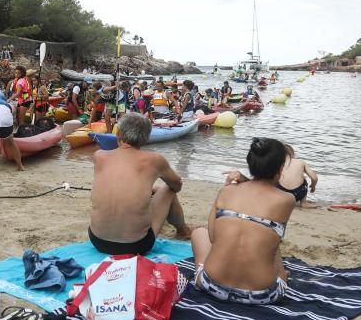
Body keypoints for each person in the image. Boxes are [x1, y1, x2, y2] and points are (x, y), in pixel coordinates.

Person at [190, 138, 296, 305]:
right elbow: (265, 196)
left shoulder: (226, 191)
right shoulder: (287, 200)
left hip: (212, 286)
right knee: (271, 237)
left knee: (198, 233)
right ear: (280, 168)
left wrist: (242, 182)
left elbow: (212, 237)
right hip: (261, 296)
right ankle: (282, 275)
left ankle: (200, 271)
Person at [89, 113, 192, 255]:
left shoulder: (99, 156)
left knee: (153, 190)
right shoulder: (155, 160)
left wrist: (149, 189)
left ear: (118, 134)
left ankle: (182, 229)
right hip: (136, 246)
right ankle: (183, 231)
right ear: (146, 138)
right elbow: (176, 186)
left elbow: (119, 182)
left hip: (98, 241)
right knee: (168, 190)